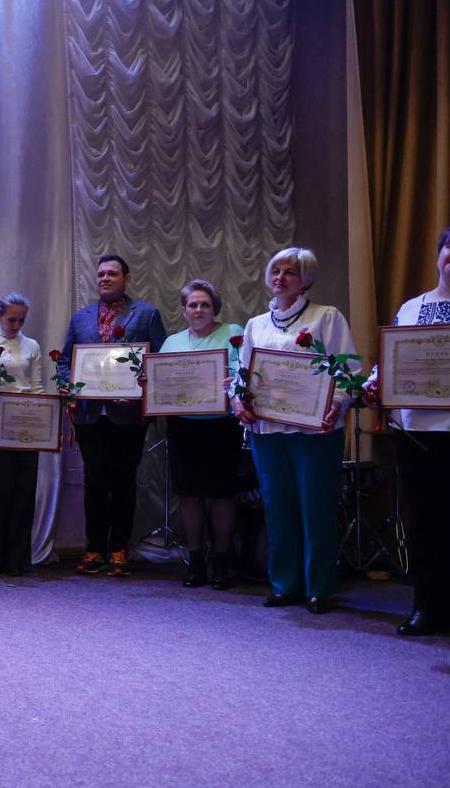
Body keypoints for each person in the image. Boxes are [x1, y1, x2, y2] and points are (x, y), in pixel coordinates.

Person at [233, 247, 355, 614]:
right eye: (276, 271)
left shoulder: (326, 317)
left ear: (306, 279)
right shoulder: (255, 324)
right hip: (268, 431)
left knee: (316, 508)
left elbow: (347, 370)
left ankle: (319, 586)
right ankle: (285, 584)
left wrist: (339, 403)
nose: (280, 278)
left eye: (290, 272)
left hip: (314, 432)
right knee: (277, 508)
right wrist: (237, 401)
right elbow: (242, 375)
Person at [57, 254, 167, 576]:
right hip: (89, 415)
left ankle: (119, 547)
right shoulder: (80, 318)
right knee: (94, 481)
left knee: (123, 481)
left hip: (128, 414)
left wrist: (142, 386)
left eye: (112, 274)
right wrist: (68, 384)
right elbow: (65, 361)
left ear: (126, 278)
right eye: (101, 274)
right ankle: (94, 548)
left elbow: (159, 360)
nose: (105, 278)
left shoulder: (146, 313)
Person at [364, 227, 450, 635]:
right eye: (449, 249)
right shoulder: (412, 308)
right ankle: (426, 606)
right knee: (422, 521)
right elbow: (391, 360)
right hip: (416, 432)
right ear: (438, 256)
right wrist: (374, 385)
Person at [158, 279, 245, 590]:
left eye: (205, 304)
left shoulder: (233, 333)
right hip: (183, 426)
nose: (198, 309)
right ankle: (195, 559)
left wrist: (235, 380)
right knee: (189, 494)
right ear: (184, 309)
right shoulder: (172, 343)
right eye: (192, 304)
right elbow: (161, 382)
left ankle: (221, 560)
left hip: (222, 426)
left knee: (222, 494)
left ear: (214, 308)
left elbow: (248, 372)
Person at [0, 292, 44, 575]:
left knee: (24, 491)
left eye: (21, 320)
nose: (16, 325)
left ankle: (17, 560)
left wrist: (44, 419)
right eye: (11, 319)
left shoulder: (32, 345)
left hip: (25, 423)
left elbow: (36, 387)